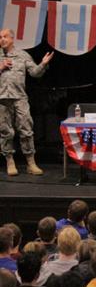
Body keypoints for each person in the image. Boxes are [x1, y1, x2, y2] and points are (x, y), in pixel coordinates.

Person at [0, 28, 54, 176]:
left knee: (26, 130)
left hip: (20, 98)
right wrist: (1, 67)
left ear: (12, 39)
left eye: (5, 37)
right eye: (0, 37)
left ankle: (31, 163)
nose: (2, 40)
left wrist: (43, 64)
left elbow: (35, 73)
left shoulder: (22, 55)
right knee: (5, 132)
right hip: (2, 99)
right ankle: (10, 161)